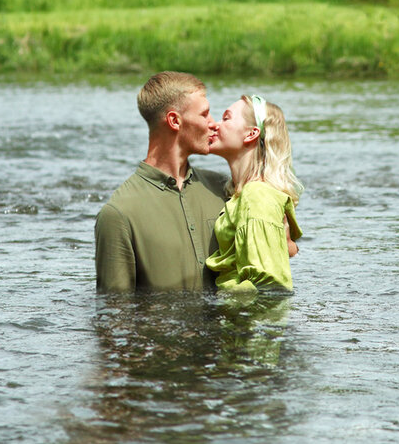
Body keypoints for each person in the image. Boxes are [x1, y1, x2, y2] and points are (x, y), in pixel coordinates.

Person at [95, 72, 229, 292]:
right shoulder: (118, 215)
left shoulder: (224, 190)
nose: (214, 124)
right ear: (175, 120)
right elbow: (114, 318)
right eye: (204, 114)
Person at [204, 94, 303, 291]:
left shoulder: (256, 194)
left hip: (247, 319)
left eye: (226, 118)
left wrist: (220, 307)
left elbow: (269, 285)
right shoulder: (242, 194)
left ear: (251, 134)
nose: (215, 125)